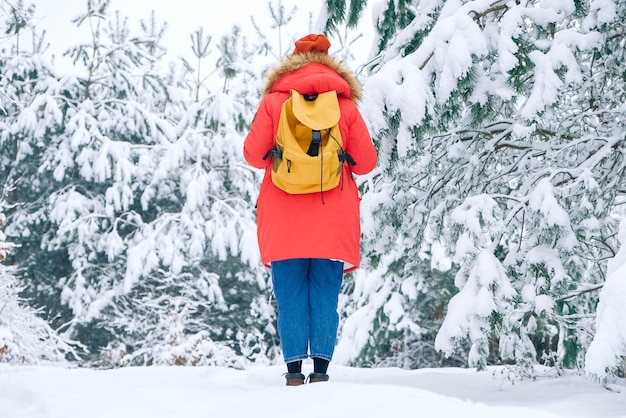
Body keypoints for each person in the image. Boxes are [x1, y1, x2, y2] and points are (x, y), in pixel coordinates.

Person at [243, 33, 377, 386]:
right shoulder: (345, 107)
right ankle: (320, 373)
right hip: (333, 218)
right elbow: (366, 163)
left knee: (289, 297)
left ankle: (292, 374)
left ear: (293, 60)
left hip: (282, 218)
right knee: (323, 296)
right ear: (329, 62)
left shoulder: (274, 102)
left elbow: (252, 155)